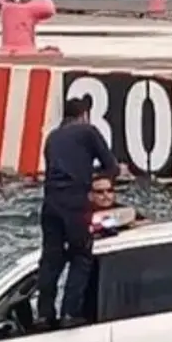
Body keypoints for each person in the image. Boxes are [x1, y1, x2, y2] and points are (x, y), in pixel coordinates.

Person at [36, 98, 119, 328]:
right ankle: (70, 314)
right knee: (81, 256)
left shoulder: (52, 137)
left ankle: (44, 315)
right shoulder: (88, 131)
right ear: (84, 115)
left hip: (50, 203)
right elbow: (110, 166)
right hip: (74, 204)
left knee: (51, 260)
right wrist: (90, 179)